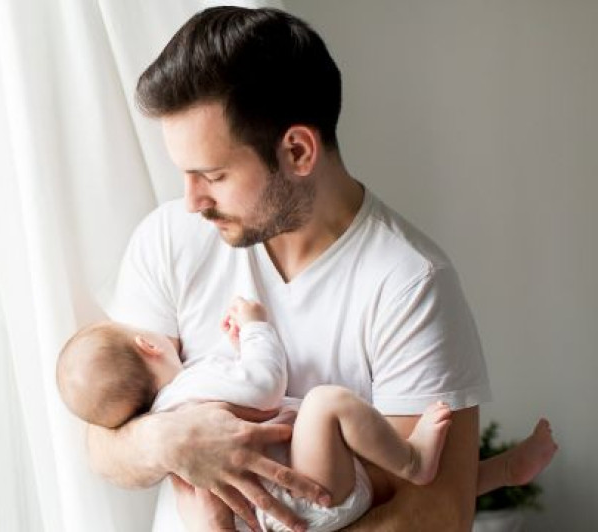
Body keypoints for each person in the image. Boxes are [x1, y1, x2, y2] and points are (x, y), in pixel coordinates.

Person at [84, 6, 533, 531]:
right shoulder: (169, 240)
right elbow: (103, 442)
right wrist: (169, 440)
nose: (192, 202)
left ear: (297, 151)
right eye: (184, 174)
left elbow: (436, 512)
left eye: (214, 175)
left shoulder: (409, 283)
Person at [59, 297, 558, 531]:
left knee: (390, 486)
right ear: (147, 344)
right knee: (326, 403)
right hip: (303, 495)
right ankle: (416, 459)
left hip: (290, 512)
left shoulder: (180, 402)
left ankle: (507, 470)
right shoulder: (189, 392)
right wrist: (255, 329)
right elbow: (264, 383)